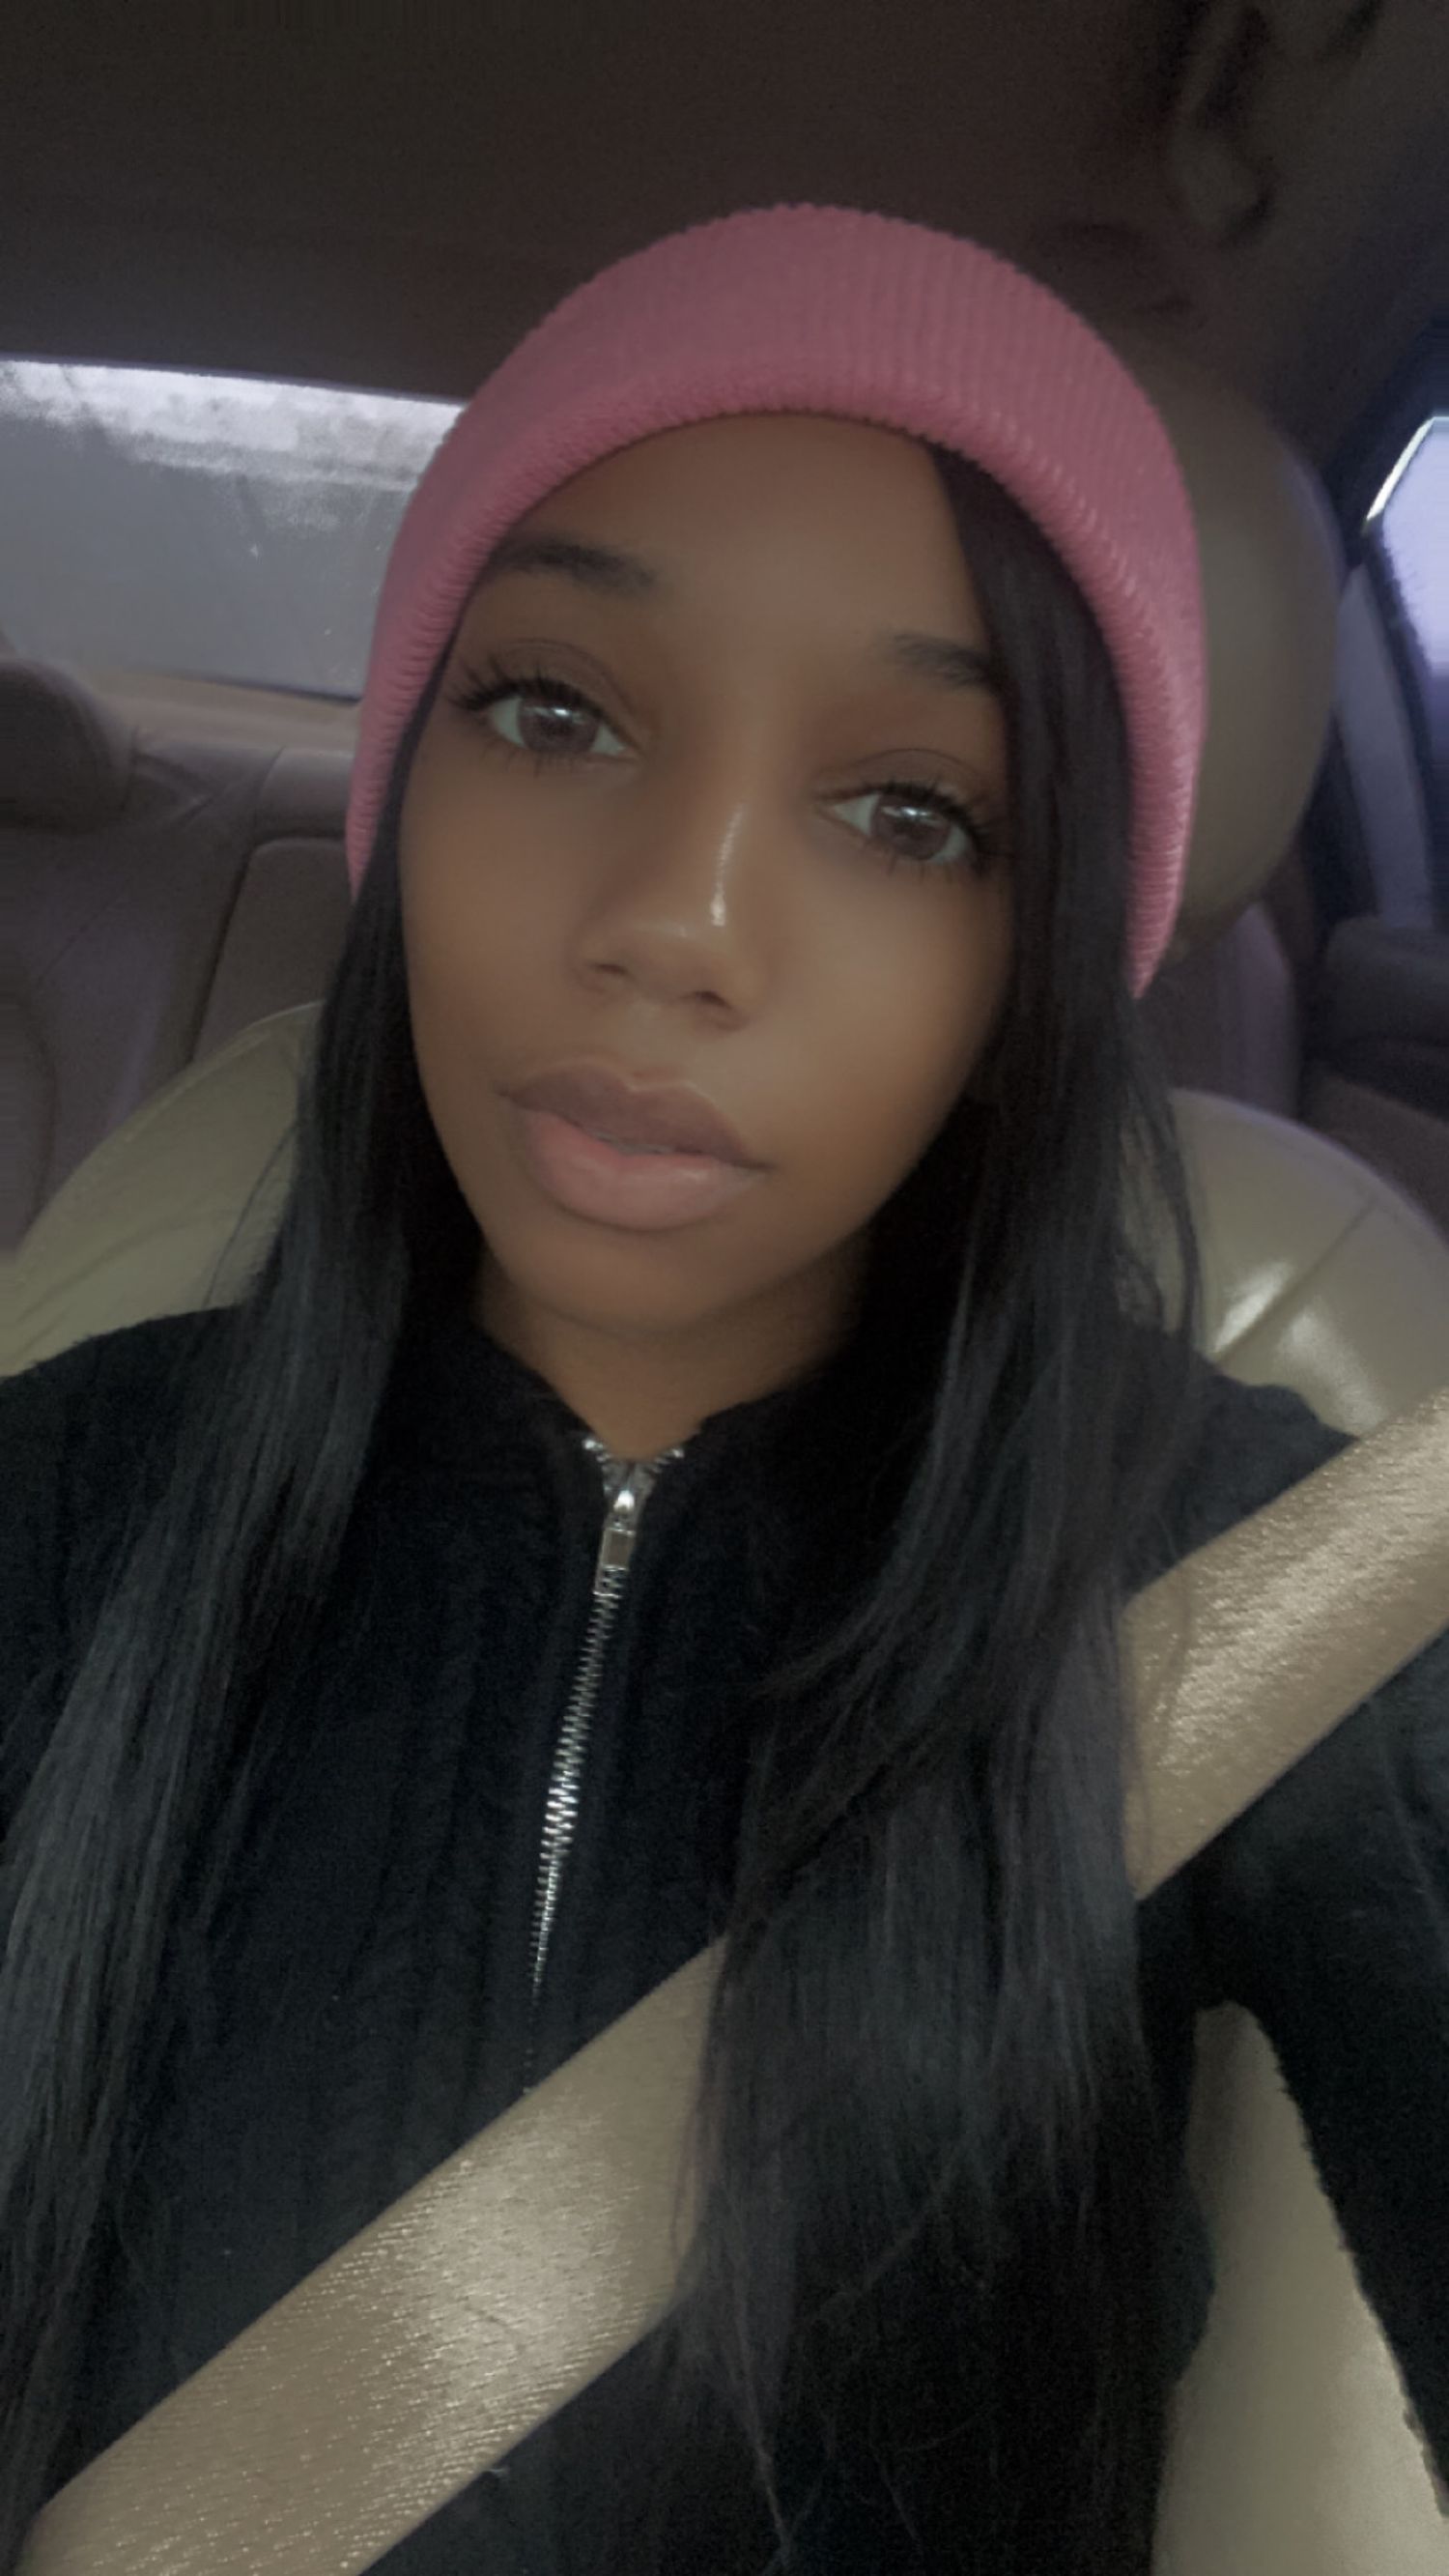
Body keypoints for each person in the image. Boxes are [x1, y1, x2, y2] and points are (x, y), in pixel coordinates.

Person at [0, 205, 1444, 2576]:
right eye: (554, 710)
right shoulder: (67, 1493)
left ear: (1040, 954)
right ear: (406, 774)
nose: (675, 920)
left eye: (910, 812)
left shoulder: (1261, 1582)